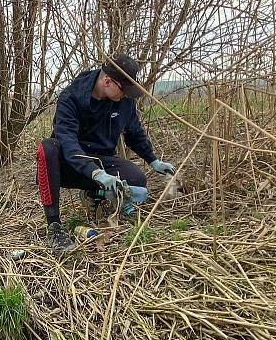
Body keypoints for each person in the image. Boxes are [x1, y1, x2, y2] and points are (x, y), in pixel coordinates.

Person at [36, 53, 175, 253]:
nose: (126, 95)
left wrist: (153, 160)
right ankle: (54, 226)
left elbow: (134, 132)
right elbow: (67, 143)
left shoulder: (123, 101)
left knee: (137, 180)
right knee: (48, 148)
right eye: (124, 90)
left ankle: (95, 193)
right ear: (107, 81)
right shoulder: (71, 97)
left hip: (102, 160)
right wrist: (95, 173)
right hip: (70, 164)